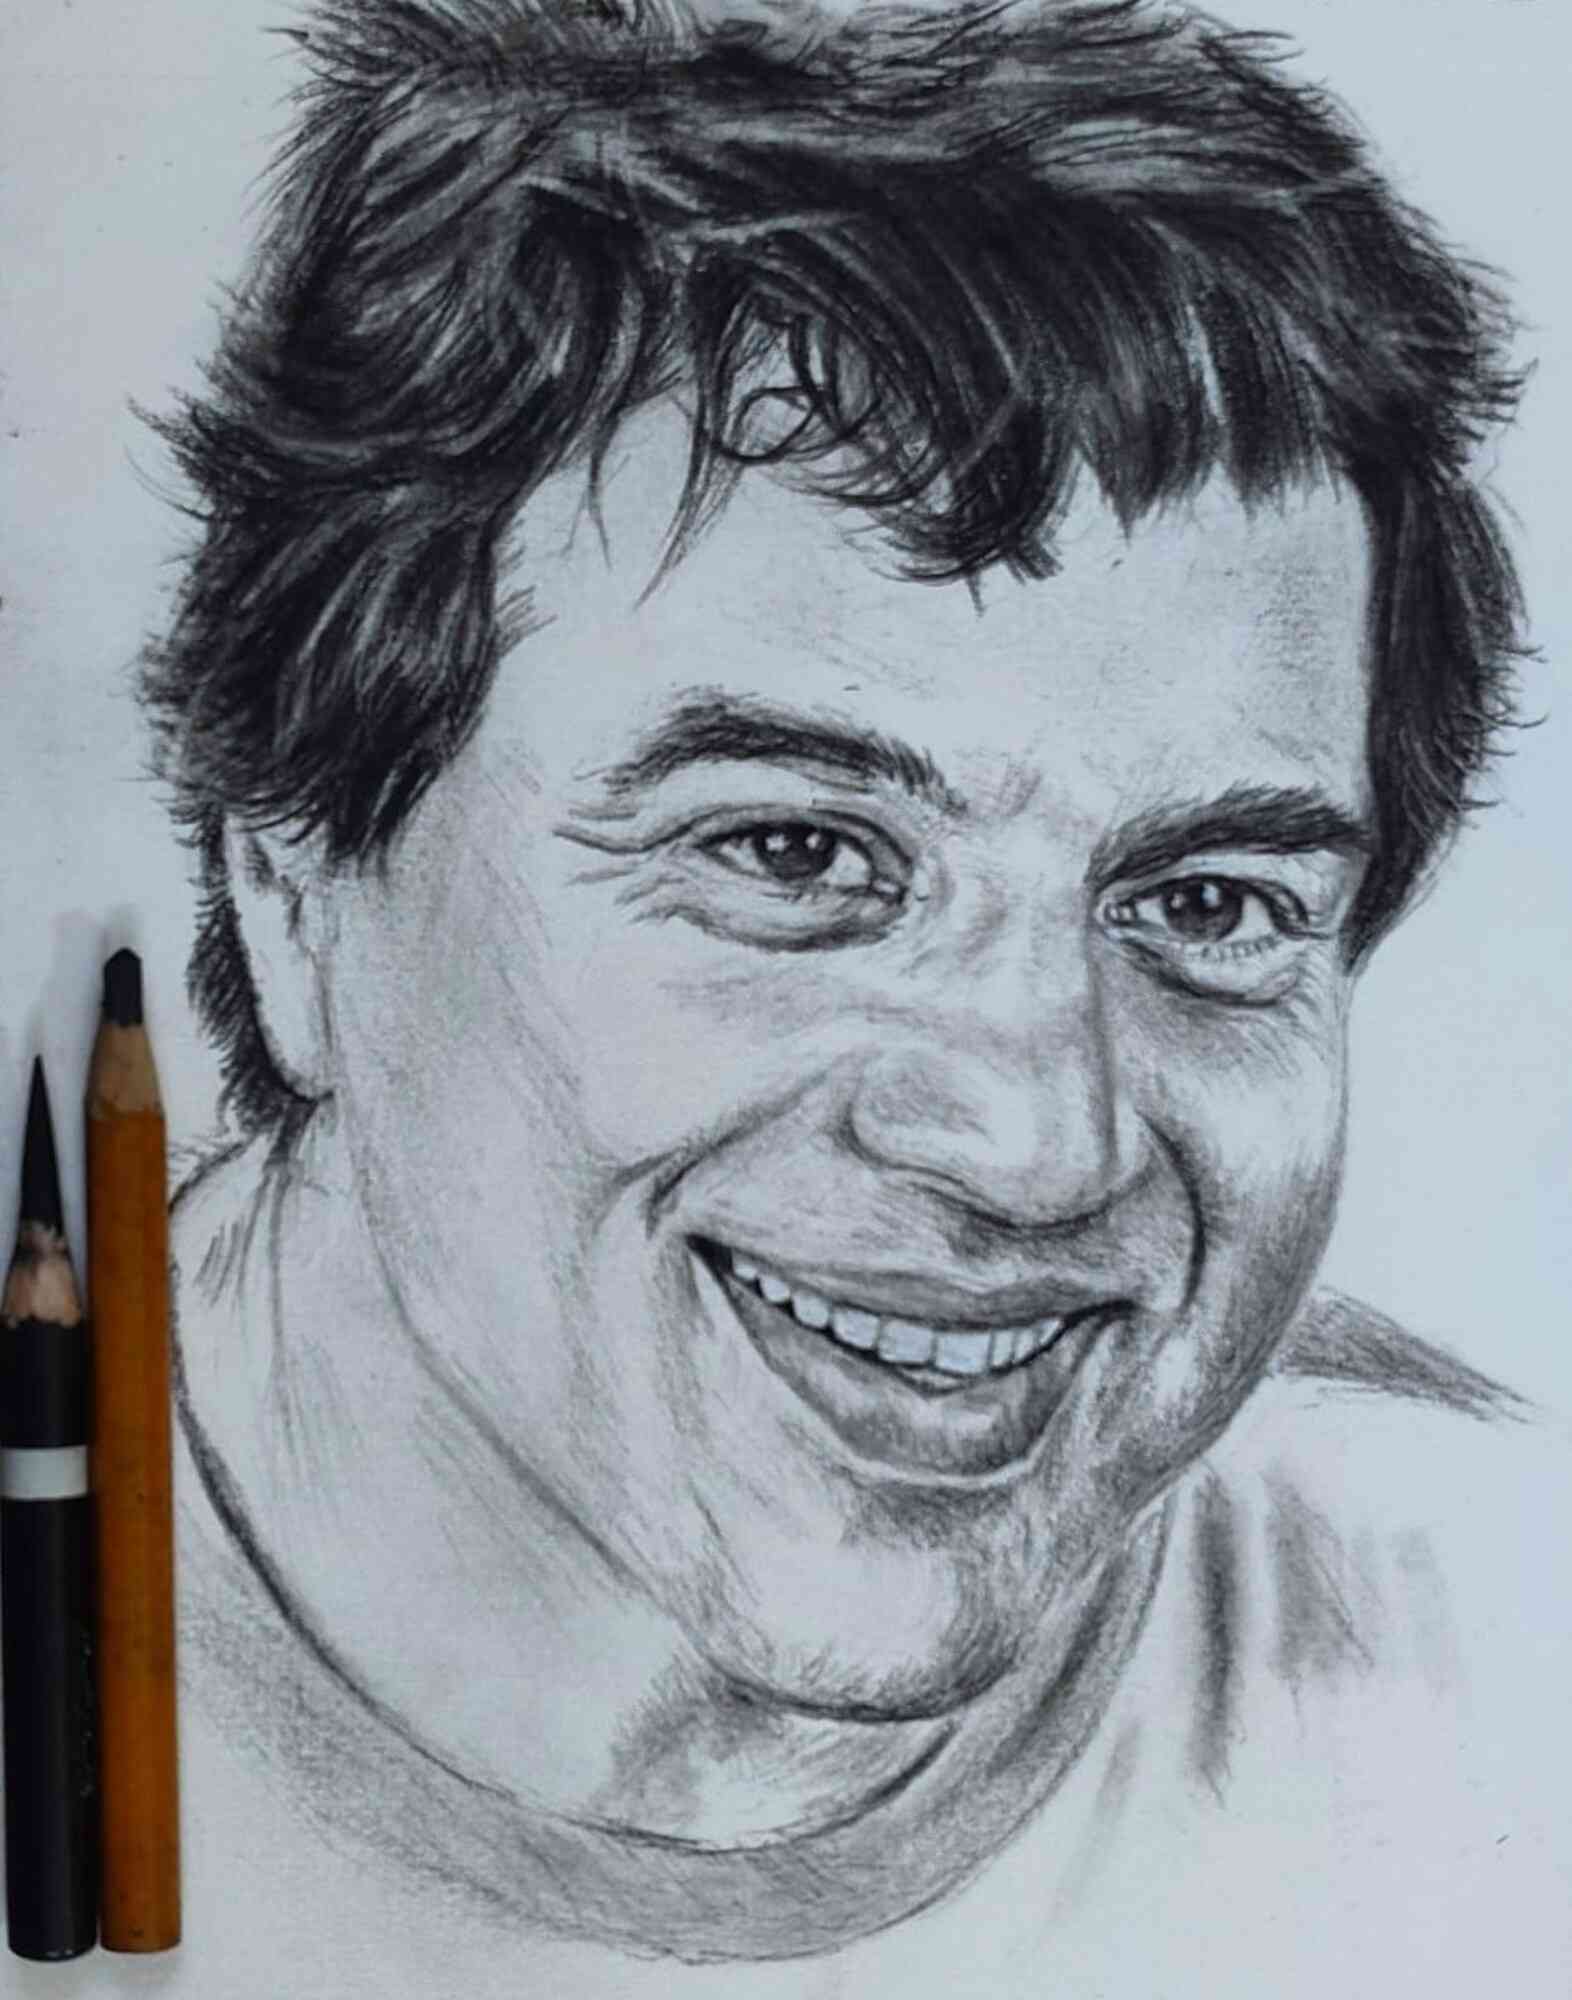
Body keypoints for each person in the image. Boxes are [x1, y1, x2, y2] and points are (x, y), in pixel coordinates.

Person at [145, 0, 1566, 1984]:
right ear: (296, 884)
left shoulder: (1483, 1616)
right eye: (797, 855)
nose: (1038, 1145)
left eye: (1208, 901)